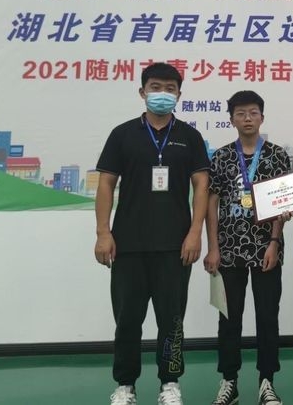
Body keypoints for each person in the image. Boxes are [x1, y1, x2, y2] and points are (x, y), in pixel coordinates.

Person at [94, 62, 210, 405]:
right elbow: (106, 184)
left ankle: (170, 383)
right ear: (142, 92)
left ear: (179, 94)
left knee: (172, 321)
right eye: (156, 87)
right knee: (127, 319)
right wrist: (103, 233)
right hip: (127, 244)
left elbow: (201, 186)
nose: (163, 93)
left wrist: (195, 233)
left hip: (175, 246)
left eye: (170, 88)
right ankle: (125, 385)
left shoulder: (189, 136)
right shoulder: (123, 134)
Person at [203, 90, 291, 405]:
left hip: (266, 250)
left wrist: (274, 242)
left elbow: (283, 203)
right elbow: (211, 203)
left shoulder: (277, 155)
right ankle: (230, 381)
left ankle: (267, 382)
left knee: (268, 316)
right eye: (240, 114)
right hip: (228, 251)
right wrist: (213, 247)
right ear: (232, 120)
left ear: (262, 117)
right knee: (229, 319)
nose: (248, 118)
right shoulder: (221, 156)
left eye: (253, 112)